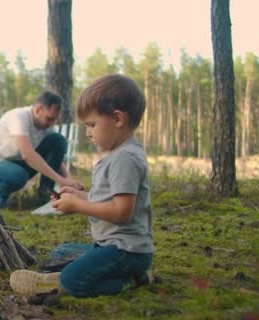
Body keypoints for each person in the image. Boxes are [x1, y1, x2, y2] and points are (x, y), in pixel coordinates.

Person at [9, 74, 155, 298]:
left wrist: (77, 206)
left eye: (92, 125)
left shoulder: (125, 158)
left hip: (128, 250)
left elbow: (122, 212)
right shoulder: (118, 155)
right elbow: (111, 199)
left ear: (117, 119)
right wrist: (80, 195)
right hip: (110, 245)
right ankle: (83, 274)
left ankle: (132, 279)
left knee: (73, 279)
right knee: (63, 252)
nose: (88, 133)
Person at [0, 90, 83, 209]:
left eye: (55, 120)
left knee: (58, 140)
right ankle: (0, 200)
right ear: (38, 109)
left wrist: (68, 179)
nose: (52, 124)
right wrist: (60, 180)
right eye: (50, 118)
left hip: (20, 163)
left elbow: (54, 158)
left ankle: (45, 195)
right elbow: (27, 154)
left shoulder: (46, 126)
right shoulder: (18, 117)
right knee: (17, 176)